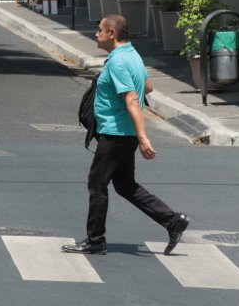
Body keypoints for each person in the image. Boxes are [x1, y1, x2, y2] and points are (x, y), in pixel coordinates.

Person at [63, 14, 189, 256]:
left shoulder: (119, 62)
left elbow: (131, 98)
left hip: (116, 133)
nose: (96, 34)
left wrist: (143, 137)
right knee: (124, 185)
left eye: (99, 29)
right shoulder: (132, 55)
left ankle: (95, 240)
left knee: (97, 184)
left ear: (111, 33)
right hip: (123, 133)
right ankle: (172, 221)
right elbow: (147, 86)